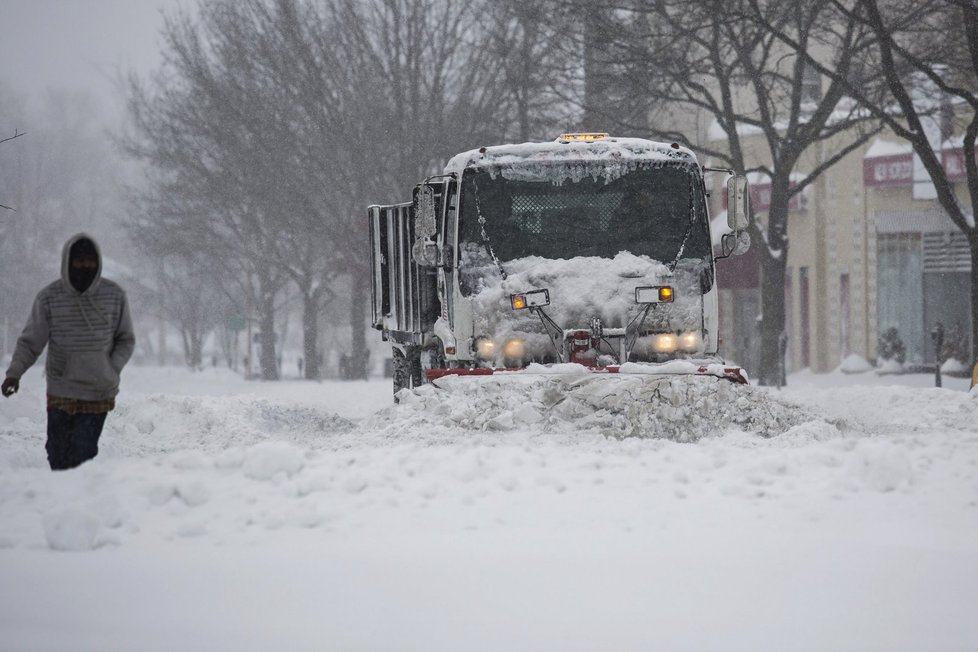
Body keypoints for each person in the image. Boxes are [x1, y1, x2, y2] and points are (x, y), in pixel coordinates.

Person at [1, 234, 135, 470]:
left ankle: (77, 501)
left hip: (98, 390)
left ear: (98, 262)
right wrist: (14, 373)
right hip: (61, 389)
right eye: (79, 261)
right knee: (57, 453)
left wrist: (111, 367)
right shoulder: (49, 297)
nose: (85, 266)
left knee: (83, 453)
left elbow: (125, 339)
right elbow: (31, 342)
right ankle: (62, 500)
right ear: (68, 262)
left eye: (90, 261)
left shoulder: (114, 296)